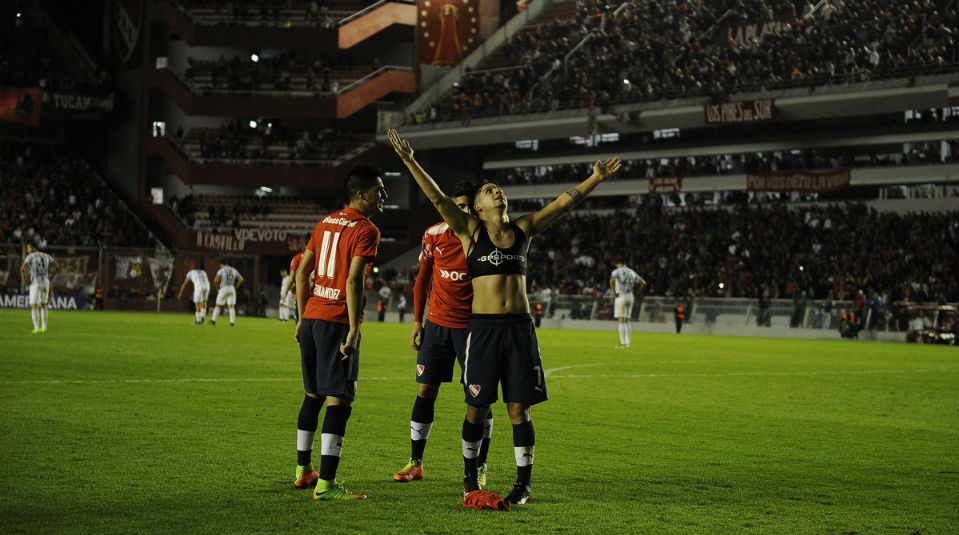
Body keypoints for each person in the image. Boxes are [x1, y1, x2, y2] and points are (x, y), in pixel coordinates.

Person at [388, 128, 621, 510]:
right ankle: (469, 481)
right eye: (488, 190)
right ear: (478, 207)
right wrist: (409, 160)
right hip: (482, 330)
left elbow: (563, 204)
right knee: (475, 408)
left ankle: (522, 485)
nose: (495, 191)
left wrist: (595, 178)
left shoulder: (523, 229)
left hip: (520, 331)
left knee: (518, 409)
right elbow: (437, 198)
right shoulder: (469, 231)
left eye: (497, 189)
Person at [292, 165, 387, 501]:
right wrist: (354, 328)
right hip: (336, 321)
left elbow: (302, 273)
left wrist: (302, 317)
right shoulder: (367, 230)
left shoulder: (324, 223)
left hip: (313, 318)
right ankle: (326, 485)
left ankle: (304, 470)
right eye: (378, 190)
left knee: (313, 395)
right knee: (340, 400)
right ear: (361, 194)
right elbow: (353, 280)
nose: (383, 196)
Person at [393, 182, 495, 487]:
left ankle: (479, 465)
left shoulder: (487, 238)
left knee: (479, 399)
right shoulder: (433, 234)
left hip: (473, 329)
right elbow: (423, 277)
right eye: (457, 205)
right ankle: (416, 462)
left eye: (466, 206)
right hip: (437, 325)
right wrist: (417, 321)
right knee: (425, 390)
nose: (461, 211)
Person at [20, 243, 57, 334]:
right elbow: (57, 266)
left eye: (29, 248)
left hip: (35, 282)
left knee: (34, 306)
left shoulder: (30, 256)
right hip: (45, 282)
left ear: (34, 248)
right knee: (43, 305)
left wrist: (25, 280)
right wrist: (51, 277)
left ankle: (36, 328)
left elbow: (22, 269)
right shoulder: (46, 255)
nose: (27, 250)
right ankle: (44, 327)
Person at [609, 259, 646, 348]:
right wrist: (637, 293)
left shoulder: (616, 271)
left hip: (621, 296)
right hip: (630, 296)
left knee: (621, 320)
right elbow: (643, 283)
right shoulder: (632, 272)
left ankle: (623, 344)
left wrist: (614, 292)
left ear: (619, 264)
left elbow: (612, 281)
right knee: (627, 320)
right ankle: (628, 343)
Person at [211, 260, 243, 327]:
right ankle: (232, 322)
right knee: (231, 306)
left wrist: (218, 289)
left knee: (218, 305)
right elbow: (241, 279)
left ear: (221, 264)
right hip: (232, 288)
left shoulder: (221, 270)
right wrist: (235, 287)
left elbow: (215, 280)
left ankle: (213, 321)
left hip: (224, 288)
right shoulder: (234, 270)